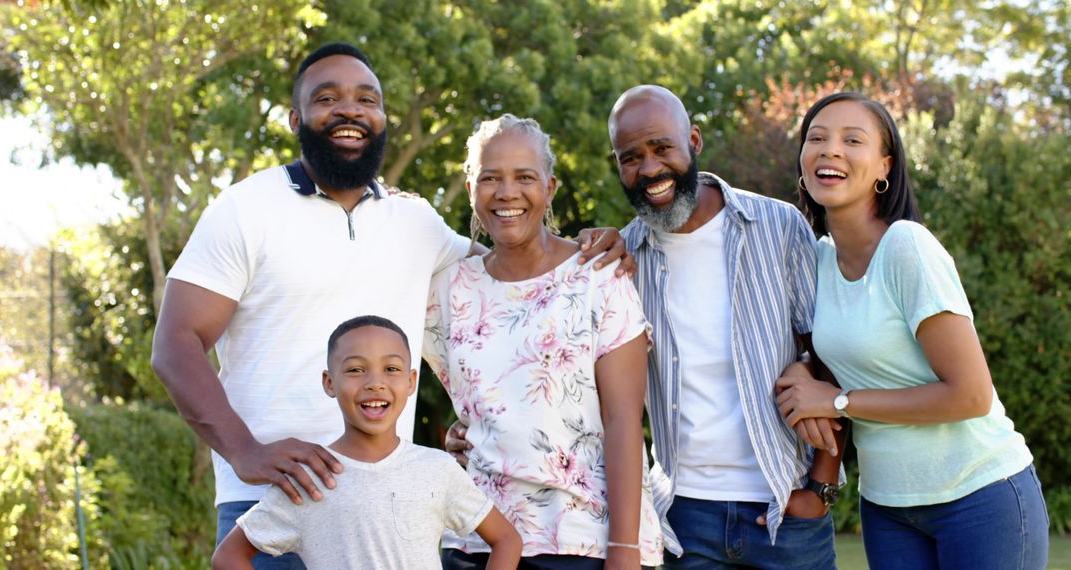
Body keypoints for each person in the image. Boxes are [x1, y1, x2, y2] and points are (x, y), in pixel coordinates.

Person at [150, 42, 630, 568]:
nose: (350, 110)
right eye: (327, 98)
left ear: (382, 117)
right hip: (275, 503)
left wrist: (596, 245)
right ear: (295, 118)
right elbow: (175, 344)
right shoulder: (245, 208)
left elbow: (511, 270)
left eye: (366, 99)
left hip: (392, 510)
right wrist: (245, 451)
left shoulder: (414, 221)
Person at [775, 92, 1049, 570]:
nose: (830, 149)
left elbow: (970, 396)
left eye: (851, 140)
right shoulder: (814, 259)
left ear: (885, 167)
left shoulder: (907, 247)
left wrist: (836, 400)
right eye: (816, 138)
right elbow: (825, 366)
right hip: (888, 508)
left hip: (980, 495)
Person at [610, 85, 842, 569]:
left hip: (785, 508)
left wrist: (821, 488)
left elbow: (831, 359)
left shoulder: (779, 227)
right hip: (685, 521)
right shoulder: (620, 262)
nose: (649, 168)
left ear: (693, 140)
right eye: (630, 157)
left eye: (661, 147)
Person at [423, 114, 664, 569]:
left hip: (581, 540)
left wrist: (625, 549)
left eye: (524, 178)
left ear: (550, 188)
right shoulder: (449, 289)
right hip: (475, 540)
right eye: (490, 177)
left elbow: (623, 420)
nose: (507, 192)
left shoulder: (599, 276)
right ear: (471, 187)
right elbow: (472, 409)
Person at [210, 315, 522, 569]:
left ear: (411, 381)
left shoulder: (437, 468)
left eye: (391, 369)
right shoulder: (312, 478)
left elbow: (507, 540)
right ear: (329, 383)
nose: (375, 383)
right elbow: (228, 557)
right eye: (356, 370)